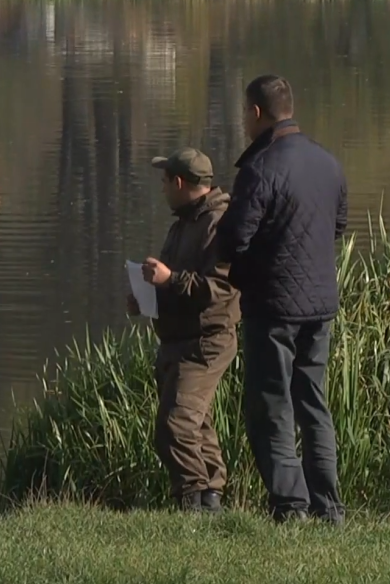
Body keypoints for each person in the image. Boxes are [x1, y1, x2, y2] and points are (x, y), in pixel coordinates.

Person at [216, 74, 348, 524]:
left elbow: (232, 239)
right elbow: (339, 226)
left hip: (273, 306)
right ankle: (328, 507)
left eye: (244, 114)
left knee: (272, 403)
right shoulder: (328, 163)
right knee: (314, 402)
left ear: (256, 113)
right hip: (321, 304)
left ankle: (290, 507)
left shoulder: (262, 168)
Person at [126, 147, 241, 513]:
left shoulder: (220, 224)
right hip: (178, 339)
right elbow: (177, 284)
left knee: (174, 426)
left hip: (205, 342)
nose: (162, 189)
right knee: (197, 425)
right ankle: (211, 504)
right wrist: (147, 297)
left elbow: (220, 289)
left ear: (179, 182)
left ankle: (191, 504)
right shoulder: (184, 223)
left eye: (164, 181)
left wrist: (170, 278)